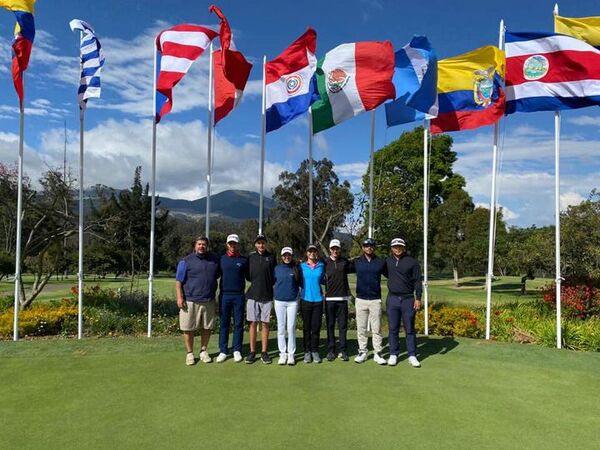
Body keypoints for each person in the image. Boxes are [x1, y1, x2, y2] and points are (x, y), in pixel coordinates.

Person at [175, 236, 220, 366]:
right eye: (199, 244)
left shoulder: (214, 260)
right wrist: (179, 297)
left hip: (208, 300)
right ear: (195, 246)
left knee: (207, 327)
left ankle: (203, 351)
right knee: (188, 328)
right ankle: (189, 353)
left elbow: (215, 276)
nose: (201, 246)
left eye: (204, 244)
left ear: (207, 246)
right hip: (190, 300)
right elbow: (178, 281)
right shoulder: (186, 261)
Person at [383, 237, 422, 368]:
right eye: (395, 246)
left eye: (400, 246)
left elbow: (417, 281)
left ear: (404, 247)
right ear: (391, 248)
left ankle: (412, 355)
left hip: (408, 299)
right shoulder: (387, 261)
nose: (397, 248)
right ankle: (393, 354)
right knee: (393, 328)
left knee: (409, 328)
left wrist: (418, 298)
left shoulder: (412, 262)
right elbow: (387, 274)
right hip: (392, 299)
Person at [353, 238, 387, 365]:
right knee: (361, 328)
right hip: (360, 299)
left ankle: (378, 353)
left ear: (374, 247)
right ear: (362, 248)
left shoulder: (380, 262)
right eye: (366, 246)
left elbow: (391, 274)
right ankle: (362, 351)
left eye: (371, 246)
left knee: (376, 328)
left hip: (375, 299)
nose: (369, 248)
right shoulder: (357, 262)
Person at [216, 234, 248, 364]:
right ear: (227, 245)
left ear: (238, 245)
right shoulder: (221, 259)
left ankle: (237, 350)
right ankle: (223, 350)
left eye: (234, 243)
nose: (232, 245)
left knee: (239, 323)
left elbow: (250, 276)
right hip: (224, 295)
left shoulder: (244, 260)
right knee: (224, 324)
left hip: (239, 295)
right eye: (230, 243)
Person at [245, 234, 276, 364]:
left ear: (265, 244)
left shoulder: (271, 257)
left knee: (265, 324)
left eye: (263, 243)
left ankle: (264, 352)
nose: (261, 245)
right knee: (252, 323)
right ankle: (252, 352)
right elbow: (248, 276)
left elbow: (274, 275)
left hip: (267, 296)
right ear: (255, 244)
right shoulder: (250, 257)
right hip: (253, 295)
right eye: (259, 243)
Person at [323, 238, 354, 362]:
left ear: (340, 249)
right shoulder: (324, 262)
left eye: (337, 248)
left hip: (342, 299)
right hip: (330, 298)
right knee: (330, 325)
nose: (335, 250)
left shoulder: (345, 262)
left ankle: (343, 350)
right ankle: (331, 350)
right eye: (333, 248)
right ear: (330, 250)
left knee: (343, 326)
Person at [273, 247, 301, 365]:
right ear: (281, 256)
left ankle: (291, 354)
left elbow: (300, 283)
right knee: (281, 328)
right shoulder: (277, 268)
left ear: (291, 255)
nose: (287, 257)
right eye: (284, 255)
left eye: (288, 255)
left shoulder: (295, 269)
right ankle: (282, 354)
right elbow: (273, 282)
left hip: (292, 302)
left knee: (291, 328)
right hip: (279, 301)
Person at [299, 244, 326, 363]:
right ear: (307, 253)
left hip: (318, 301)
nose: (312, 253)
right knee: (306, 327)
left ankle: (315, 351)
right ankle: (307, 351)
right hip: (305, 300)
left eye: (314, 251)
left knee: (315, 328)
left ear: (316, 253)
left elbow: (324, 280)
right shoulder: (301, 266)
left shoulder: (321, 266)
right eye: (310, 251)